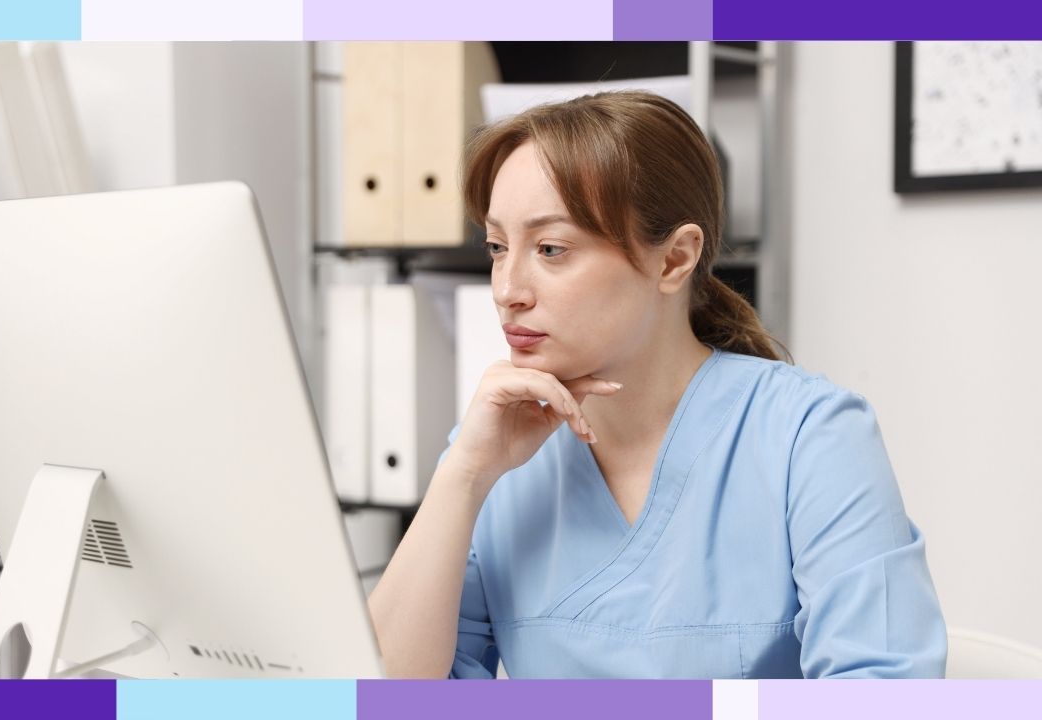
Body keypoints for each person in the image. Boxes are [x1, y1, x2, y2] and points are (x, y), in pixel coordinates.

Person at [365, 91, 946, 679]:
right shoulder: (491, 454)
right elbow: (383, 693)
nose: (507, 288)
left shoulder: (811, 437)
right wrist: (461, 477)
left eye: (550, 249)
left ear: (673, 260)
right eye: (496, 247)